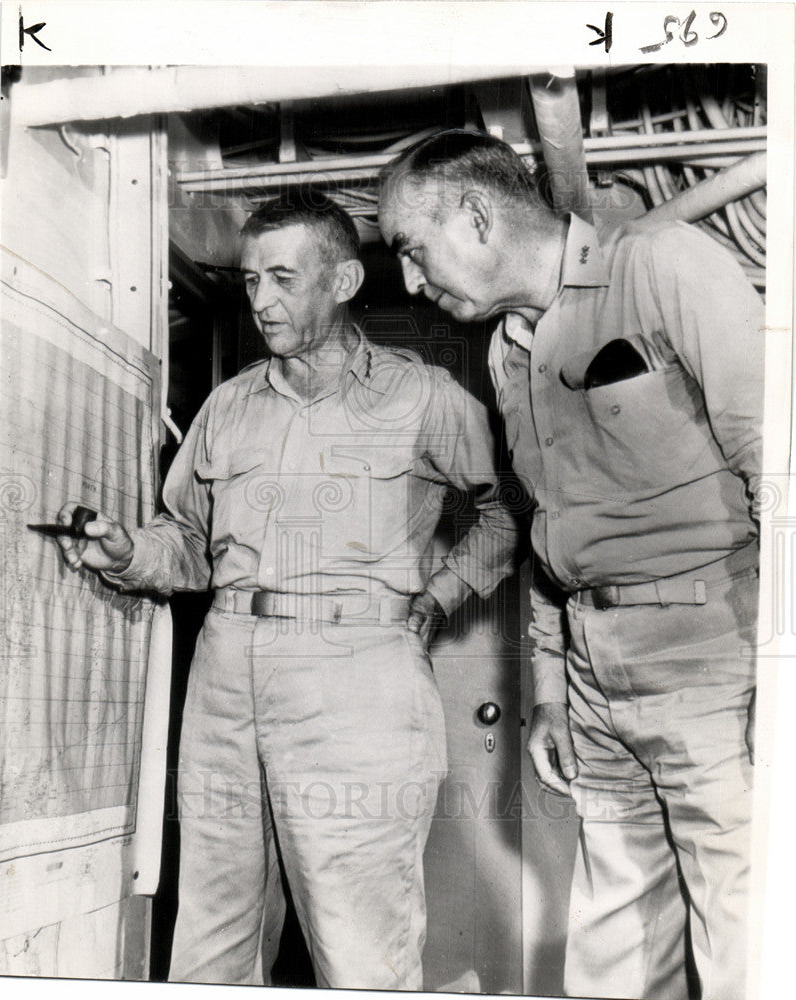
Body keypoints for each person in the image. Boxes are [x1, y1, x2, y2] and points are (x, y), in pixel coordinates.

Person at [56, 190, 517, 990]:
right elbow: (189, 547)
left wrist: (440, 595)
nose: (260, 301)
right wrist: (130, 550)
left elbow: (508, 507)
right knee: (211, 931)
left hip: (357, 675)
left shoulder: (422, 395)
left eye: (281, 278)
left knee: (358, 940)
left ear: (340, 281)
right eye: (248, 281)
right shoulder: (228, 406)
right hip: (226, 672)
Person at [377, 129, 764, 1000]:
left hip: (718, 654)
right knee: (613, 943)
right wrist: (551, 691)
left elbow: (779, 470)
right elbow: (548, 532)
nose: (409, 281)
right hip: (595, 678)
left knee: (750, 940)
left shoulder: (662, 265)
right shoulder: (506, 349)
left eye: (411, 249)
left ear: (475, 215)